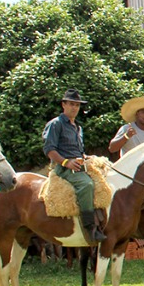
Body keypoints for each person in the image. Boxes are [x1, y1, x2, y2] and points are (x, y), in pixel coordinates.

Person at [42, 89, 104, 243]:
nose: (74, 108)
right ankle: (90, 228)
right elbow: (49, 149)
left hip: (79, 164)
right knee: (87, 185)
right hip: (63, 167)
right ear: (64, 105)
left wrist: (85, 157)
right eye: (71, 104)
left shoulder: (78, 127)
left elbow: (79, 150)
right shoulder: (55, 124)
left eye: (77, 105)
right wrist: (66, 162)